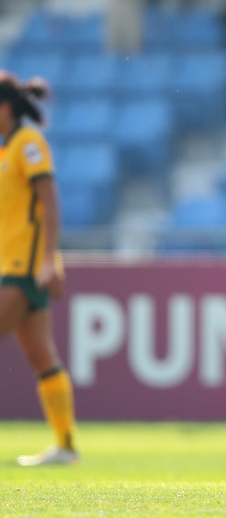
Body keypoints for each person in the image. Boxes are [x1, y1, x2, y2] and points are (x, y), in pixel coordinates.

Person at [0, 71, 79, 466]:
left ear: (6, 107)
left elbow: (48, 199)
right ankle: (65, 447)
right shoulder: (7, 149)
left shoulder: (28, 143)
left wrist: (50, 259)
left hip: (24, 268)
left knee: (42, 356)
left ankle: (66, 446)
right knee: (42, 357)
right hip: (14, 265)